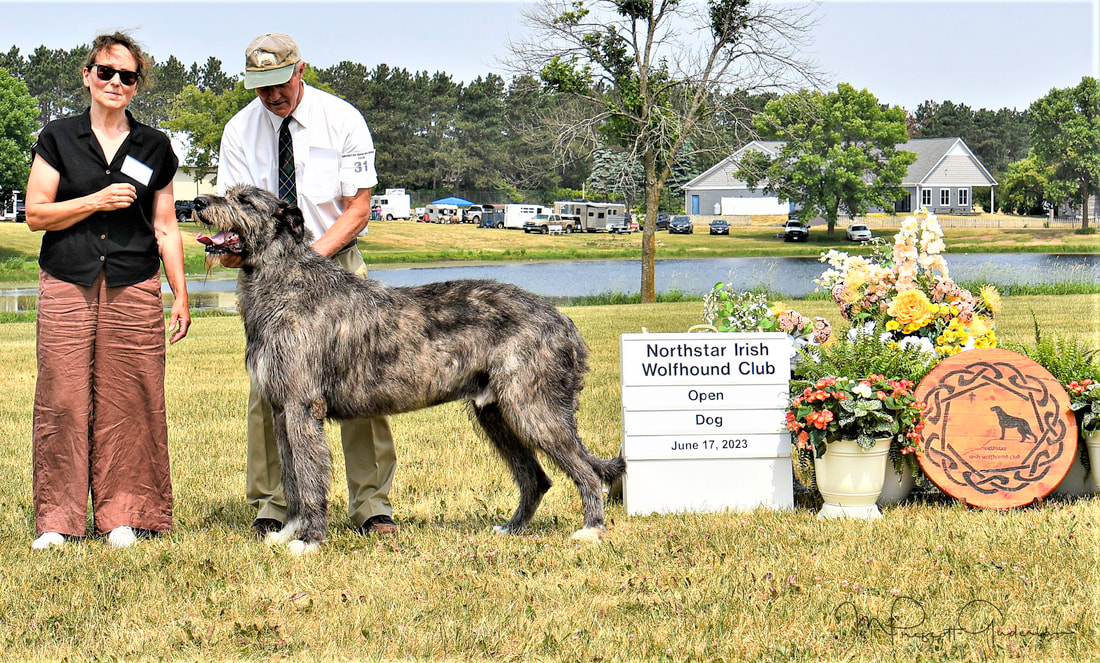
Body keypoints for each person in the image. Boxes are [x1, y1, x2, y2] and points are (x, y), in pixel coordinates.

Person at [217, 33, 399, 538]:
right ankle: (274, 504)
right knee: (270, 389)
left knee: (361, 383)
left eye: (279, 84)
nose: (272, 96)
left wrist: (306, 262)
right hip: (264, 281)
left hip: (336, 266)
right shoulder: (239, 130)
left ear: (301, 71)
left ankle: (371, 505)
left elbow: (357, 209)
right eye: (261, 87)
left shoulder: (342, 119)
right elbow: (238, 219)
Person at [25, 32, 190, 550]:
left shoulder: (154, 146)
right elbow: (35, 214)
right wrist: (94, 200)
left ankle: (127, 515)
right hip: (67, 280)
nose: (115, 82)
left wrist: (180, 294)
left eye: (127, 76)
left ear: (137, 86)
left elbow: (165, 226)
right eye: (106, 72)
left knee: (133, 399)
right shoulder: (58, 137)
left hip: (134, 283)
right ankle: (59, 521)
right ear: (87, 76)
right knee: (63, 399)